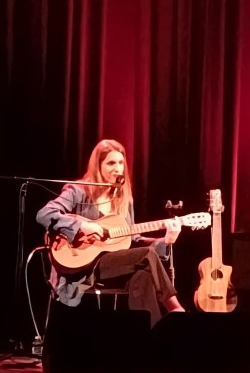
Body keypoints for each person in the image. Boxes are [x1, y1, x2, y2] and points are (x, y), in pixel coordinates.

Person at [36, 139, 185, 326]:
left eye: (121, 163)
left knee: (144, 276)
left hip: (115, 266)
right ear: (98, 165)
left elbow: (132, 239)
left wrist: (166, 241)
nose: (118, 168)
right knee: (147, 255)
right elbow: (45, 214)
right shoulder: (78, 190)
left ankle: (148, 341)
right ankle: (174, 307)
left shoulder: (124, 200)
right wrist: (82, 227)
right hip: (83, 268)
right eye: (111, 163)